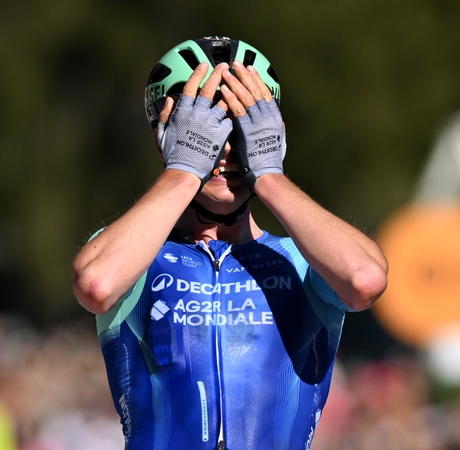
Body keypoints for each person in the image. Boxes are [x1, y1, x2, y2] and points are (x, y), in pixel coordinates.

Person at [72, 36, 388, 450]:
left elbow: (365, 279)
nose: (224, 151)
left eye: (243, 129)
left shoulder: (300, 260)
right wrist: (184, 170)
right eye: (203, 129)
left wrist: (270, 173)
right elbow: (96, 284)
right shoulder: (138, 257)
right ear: (164, 136)